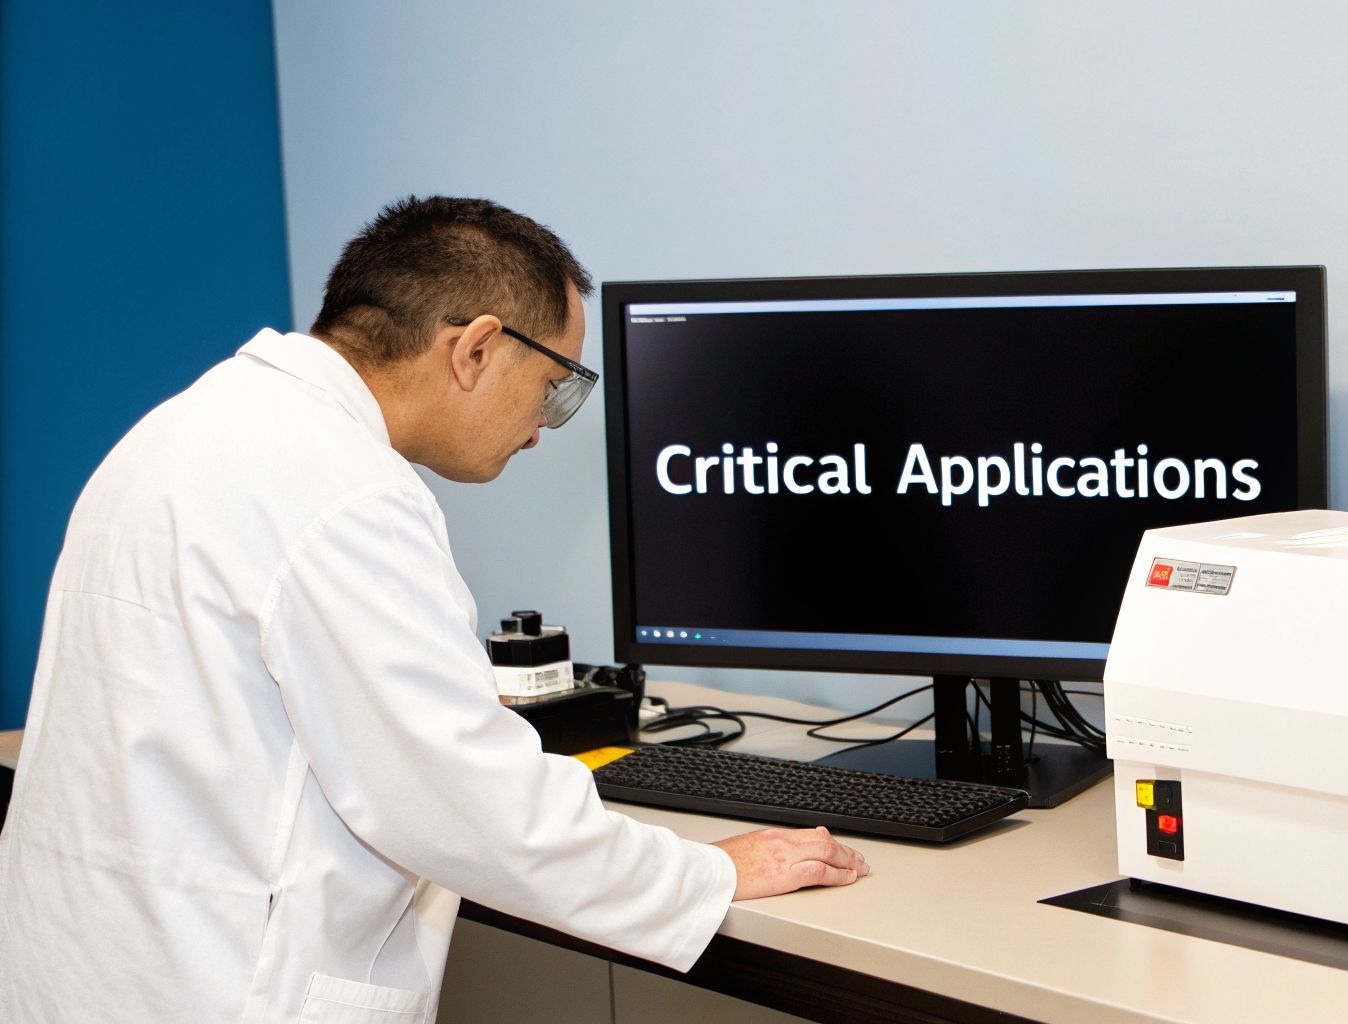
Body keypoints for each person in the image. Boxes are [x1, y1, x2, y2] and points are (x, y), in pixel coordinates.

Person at [0, 196, 869, 1022]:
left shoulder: (192, 427)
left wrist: (434, 713)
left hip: (103, 961)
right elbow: (473, 810)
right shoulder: (342, 492)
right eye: (556, 384)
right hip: (221, 980)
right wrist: (704, 874)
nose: (542, 427)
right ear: (477, 348)